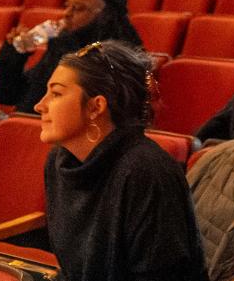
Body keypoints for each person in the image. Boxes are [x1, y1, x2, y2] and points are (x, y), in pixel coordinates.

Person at [36, 40, 208, 281]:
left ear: (96, 106)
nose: (39, 105)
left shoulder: (146, 171)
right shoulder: (61, 160)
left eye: (56, 94)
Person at [0, 0, 143, 113]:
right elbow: (7, 96)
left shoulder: (119, 57)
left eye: (78, 8)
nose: (66, 14)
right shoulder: (62, 43)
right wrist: (14, 55)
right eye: (67, 6)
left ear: (106, 16)